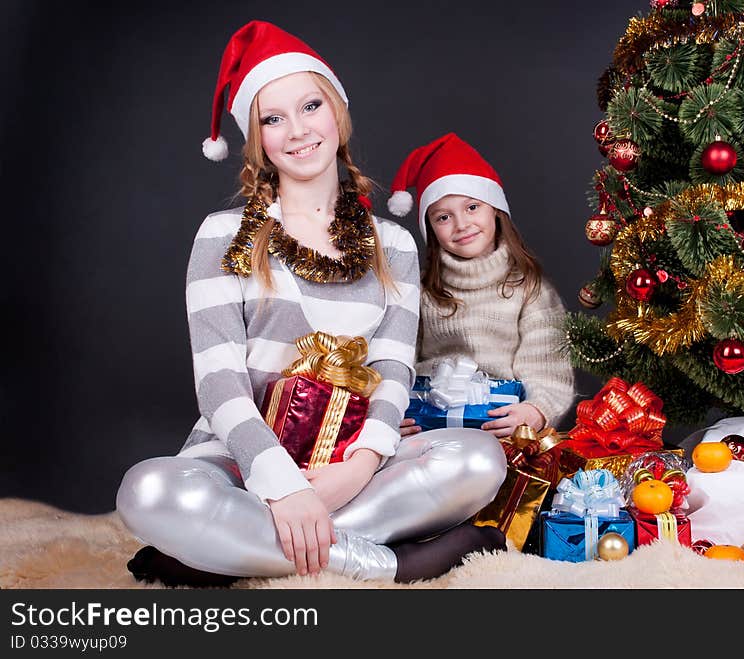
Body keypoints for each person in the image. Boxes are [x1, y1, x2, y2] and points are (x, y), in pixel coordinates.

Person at [115, 21, 508, 588]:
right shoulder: (224, 236)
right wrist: (282, 485)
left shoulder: (392, 243)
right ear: (257, 139)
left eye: (310, 106)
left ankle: (224, 554)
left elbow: (392, 369)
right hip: (243, 461)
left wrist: (360, 465)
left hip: (350, 464)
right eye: (273, 119)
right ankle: (390, 562)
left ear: (338, 114)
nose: (297, 131)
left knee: (480, 461)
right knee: (148, 491)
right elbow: (219, 383)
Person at [387, 133, 576, 439]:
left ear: (495, 210)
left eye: (472, 207)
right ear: (431, 229)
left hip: (501, 429)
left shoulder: (530, 290)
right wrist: (391, 412)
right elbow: (398, 360)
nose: (462, 225)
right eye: (444, 217)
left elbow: (548, 371)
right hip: (430, 427)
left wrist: (536, 411)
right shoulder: (419, 292)